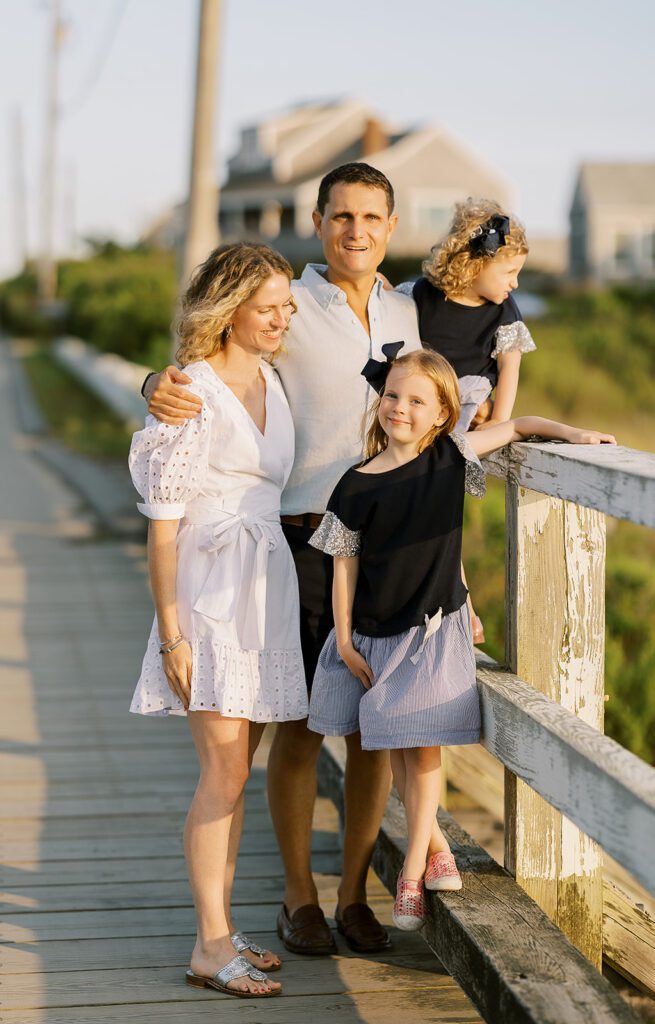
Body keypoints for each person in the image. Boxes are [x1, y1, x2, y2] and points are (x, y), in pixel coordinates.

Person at [141, 163, 421, 956]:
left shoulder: (409, 309)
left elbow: (449, 397)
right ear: (319, 220)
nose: (356, 232)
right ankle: (298, 901)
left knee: (372, 728)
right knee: (297, 726)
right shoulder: (289, 304)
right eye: (340, 217)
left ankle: (355, 896)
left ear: (391, 226)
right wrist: (152, 385)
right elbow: (210, 363)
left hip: (387, 548)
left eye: (371, 218)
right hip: (297, 542)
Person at [306, 343, 616, 930]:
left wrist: (574, 435)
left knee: (423, 748)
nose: (400, 407)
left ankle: (410, 872)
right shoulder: (355, 483)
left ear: (443, 414)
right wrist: (344, 640)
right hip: (377, 633)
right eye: (393, 395)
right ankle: (438, 848)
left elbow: (519, 423)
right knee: (400, 742)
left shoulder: (449, 457)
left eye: (417, 400)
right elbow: (342, 564)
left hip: (434, 626)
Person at [129, 242, 309, 998]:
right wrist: (171, 633)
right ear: (227, 309)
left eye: (286, 307)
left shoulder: (273, 376)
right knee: (224, 772)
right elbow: (163, 525)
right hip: (210, 595)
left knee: (239, 774)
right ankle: (208, 944)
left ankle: (224, 930)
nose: (280, 319)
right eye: (266, 307)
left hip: (267, 588)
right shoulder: (192, 393)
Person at [393, 199, 536, 644]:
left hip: (461, 414)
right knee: (415, 512)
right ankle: (439, 608)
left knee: (438, 509)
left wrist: (500, 421)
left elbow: (509, 369)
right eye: (508, 273)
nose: (514, 284)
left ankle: (462, 607)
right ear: (475, 263)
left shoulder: (502, 313)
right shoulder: (420, 297)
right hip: (415, 410)